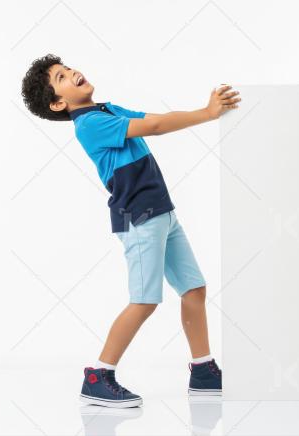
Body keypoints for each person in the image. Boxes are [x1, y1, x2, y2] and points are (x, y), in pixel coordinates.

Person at [21, 54, 239, 408]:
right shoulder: (88, 124)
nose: (73, 71)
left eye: (68, 67)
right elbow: (153, 128)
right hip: (139, 218)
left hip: (163, 213)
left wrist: (201, 111)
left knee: (194, 288)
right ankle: (99, 376)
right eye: (61, 76)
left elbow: (154, 119)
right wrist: (207, 113)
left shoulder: (106, 109)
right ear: (58, 102)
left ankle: (202, 370)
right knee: (144, 300)